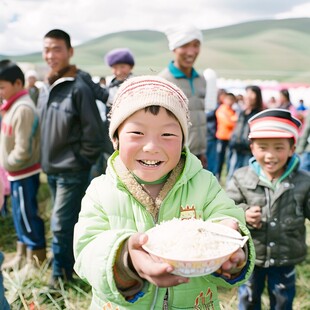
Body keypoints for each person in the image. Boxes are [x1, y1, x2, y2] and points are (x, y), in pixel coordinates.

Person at [73, 76, 255, 310]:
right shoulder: (101, 190)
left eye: (167, 135)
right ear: (116, 138)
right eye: (137, 133)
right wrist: (126, 259)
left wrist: (232, 245)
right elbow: (86, 251)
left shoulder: (204, 184)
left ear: (183, 142)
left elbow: (226, 217)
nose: (151, 146)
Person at [37, 29, 109, 286]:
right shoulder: (48, 86)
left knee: (60, 225)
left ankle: (59, 280)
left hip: (71, 170)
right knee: (66, 223)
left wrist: (80, 161)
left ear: (70, 52)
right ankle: (72, 268)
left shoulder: (78, 87)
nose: (50, 55)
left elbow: (94, 133)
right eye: (46, 49)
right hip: (53, 169)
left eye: (57, 49)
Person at [226, 109, 310, 310]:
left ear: (292, 149)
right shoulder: (241, 177)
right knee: (248, 298)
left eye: (279, 148)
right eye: (263, 147)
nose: (270, 155)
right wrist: (243, 214)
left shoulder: (304, 181)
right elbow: (227, 208)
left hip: (285, 255)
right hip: (251, 254)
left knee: (282, 300)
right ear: (252, 148)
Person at [0, 60, 46, 271]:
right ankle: (21, 255)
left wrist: (9, 163)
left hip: (23, 172)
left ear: (18, 83)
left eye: (2, 87)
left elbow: (23, 148)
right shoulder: (12, 107)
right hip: (15, 173)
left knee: (27, 215)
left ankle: (35, 260)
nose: (0, 92)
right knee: (19, 215)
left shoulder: (23, 109)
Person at [159, 24, 207, 168]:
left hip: (198, 155)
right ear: (174, 48)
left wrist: (202, 152)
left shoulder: (201, 79)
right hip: (175, 157)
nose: (191, 52)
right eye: (185, 45)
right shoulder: (164, 81)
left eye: (196, 45)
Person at [227, 85, 263, 180]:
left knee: (246, 177)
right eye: (247, 93)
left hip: (248, 151)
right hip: (236, 148)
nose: (248, 96)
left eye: (252, 93)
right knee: (232, 175)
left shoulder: (258, 114)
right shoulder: (242, 113)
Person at [215, 92, 237, 181]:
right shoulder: (221, 109)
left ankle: (227, 176)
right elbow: (228, 123)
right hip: (222, 138)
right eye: (229, 99)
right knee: (220, 159)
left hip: (230, 138)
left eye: (232, 100)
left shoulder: (232, 111)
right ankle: (218, 176)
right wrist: (234, 121)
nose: (230, 102)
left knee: (229, 159)